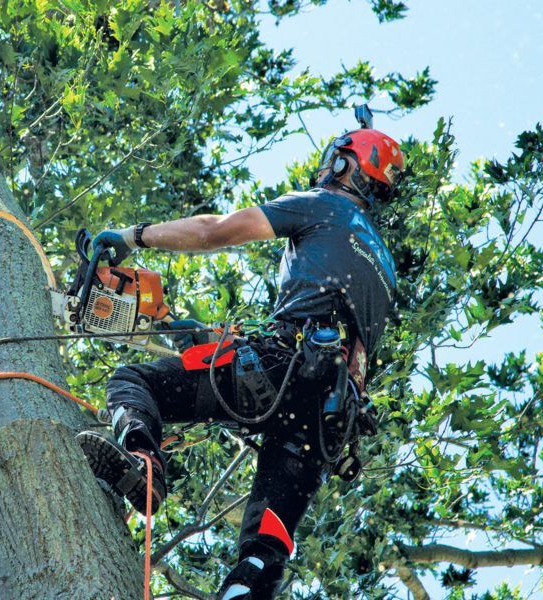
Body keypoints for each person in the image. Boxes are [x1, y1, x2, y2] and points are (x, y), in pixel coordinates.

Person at [77, 123, 404, 599]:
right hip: (326, 420)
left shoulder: (324, 206)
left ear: (344, 164)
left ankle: (144, 462)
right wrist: (176, 325)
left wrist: (133, 236)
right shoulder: (383, 264)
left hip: (278, 371)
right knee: (265, 548)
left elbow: (216, 231)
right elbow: (323, 339)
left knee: (133, 382)